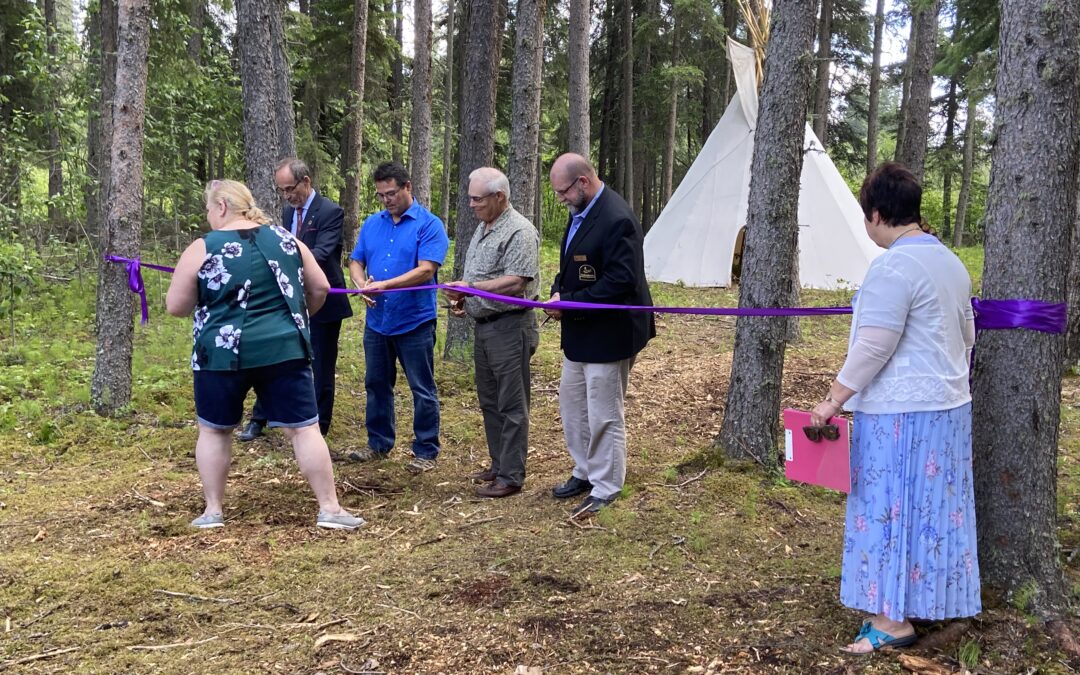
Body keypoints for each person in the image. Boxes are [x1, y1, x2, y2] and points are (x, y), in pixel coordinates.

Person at [809, 162, 980, 653]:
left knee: (889, 509)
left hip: (901, 414)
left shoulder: (894, 266)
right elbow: (967, 333)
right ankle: (917, 599)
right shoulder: (950, 261)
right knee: (929, 511)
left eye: (866, 218)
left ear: (878, 214)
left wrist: (832, 400)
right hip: (948, 408)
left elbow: (874, 345)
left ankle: (891, 620)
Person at [165, 180, 363, 531]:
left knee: (214, 431)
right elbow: (321, 288)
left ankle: (213, 511)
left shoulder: (203, 247)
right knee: (304, 430)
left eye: (209, 209)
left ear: (222, 207)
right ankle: (330, 508)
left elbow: (176, 306)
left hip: (222, 354)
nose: (209, 217)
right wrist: (300, 318)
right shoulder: (288, 240)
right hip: (284, 348)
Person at [543, 153, 655, 517]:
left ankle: (607, 485)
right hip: (580, 331)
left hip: (611, 332)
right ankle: (586, 471)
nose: (560, 199)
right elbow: (570, 266)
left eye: (563, 192)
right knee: (573, 406)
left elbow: (621, 281)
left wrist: (571, 302)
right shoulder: (580, 213)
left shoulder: (616, 218)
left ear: (583, 183)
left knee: (604, 411)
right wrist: (560, 292)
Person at [237, 158, 353, 441]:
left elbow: (322, 253)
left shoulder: (330, 211)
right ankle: (260, 418)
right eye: (282, 190)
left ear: (306, 181)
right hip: (289, 301)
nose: (287, 195)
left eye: (290, 188)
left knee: (322, 365)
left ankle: (318, 425)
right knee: (275, 357)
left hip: (323, 301)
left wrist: (281, 265)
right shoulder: (288, 212)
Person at [444, 167, 540, 498]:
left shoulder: (520, 231)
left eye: (477, 199)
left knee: (512, 403)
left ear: (499, 197)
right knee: (490, 401)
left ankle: (512, 475)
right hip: (484, 327)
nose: (471, 205)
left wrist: (469, 288)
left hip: (511, 327)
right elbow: (480, 278)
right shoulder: (483, 228)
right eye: (469, 198)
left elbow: (515, 283)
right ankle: (499, 464)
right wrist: (463, 301)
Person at [348, 162, 450, 473]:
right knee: (376, 383)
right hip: (378, 321)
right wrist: (361, 284)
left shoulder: (429, 225)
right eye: (381, 195)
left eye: (391, 193)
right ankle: (378, 443)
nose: (386, 200)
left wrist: (386, 285)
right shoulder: (372, 224)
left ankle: (425, 449)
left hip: (414, 320)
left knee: (421, 386)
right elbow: (355, 260)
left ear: (407, 187)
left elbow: (426, 269)